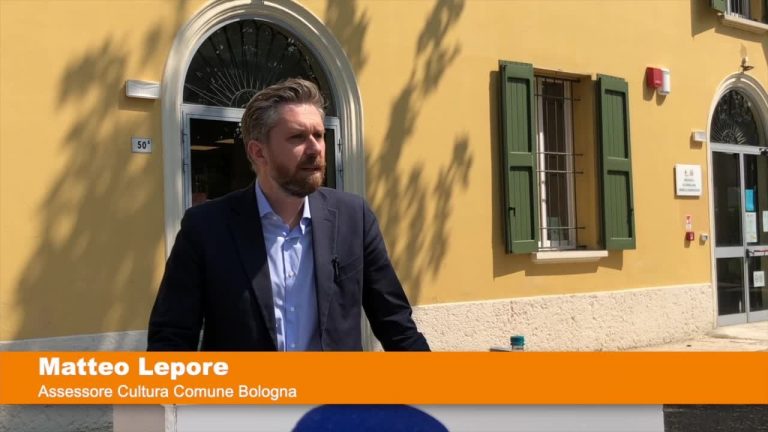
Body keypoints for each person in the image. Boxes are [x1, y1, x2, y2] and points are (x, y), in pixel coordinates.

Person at [148, 78, 429, 352]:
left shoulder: (353, 217)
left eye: (319, 135)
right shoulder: (206, 227)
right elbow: (171, 337)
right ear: (258, 152)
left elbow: (396, 324)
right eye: (298, 137)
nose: (315, 148)